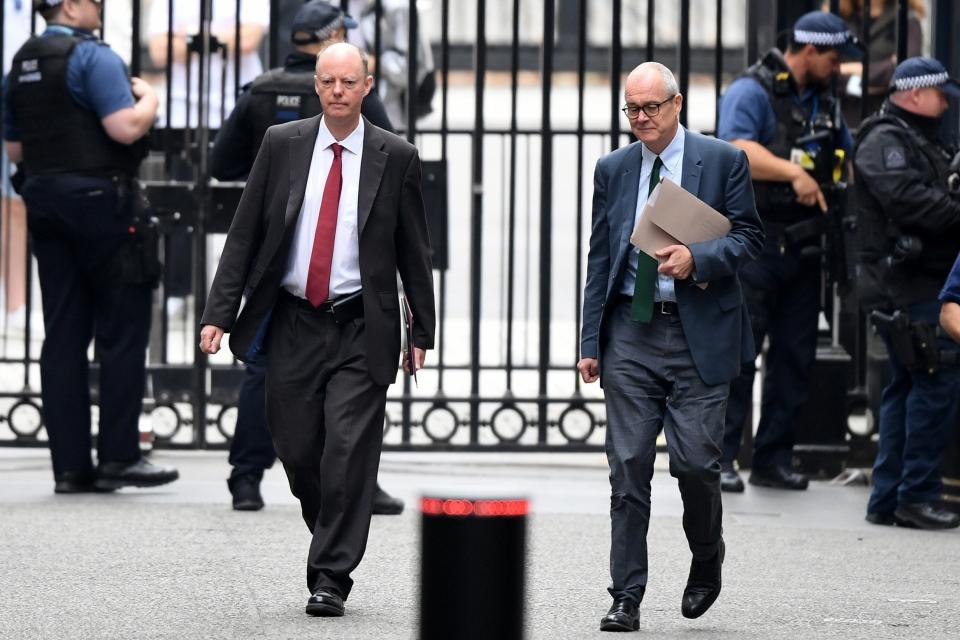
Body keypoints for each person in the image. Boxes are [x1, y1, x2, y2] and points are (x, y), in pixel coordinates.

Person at [199, 42, 435, 617]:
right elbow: (246, 232)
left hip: (360, 324)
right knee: (301, 449)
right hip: (293, 321)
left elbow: (414, 249)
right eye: (328, 81)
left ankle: (330, 575)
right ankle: (330, 523)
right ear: (316, 86)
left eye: (348, 82)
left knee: (349, 451)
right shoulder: (283, 145)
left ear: (367, 86)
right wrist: (218, 312)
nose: (336, 91)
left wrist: (421, 331)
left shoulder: (395, 155)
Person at [577, 62, 763, 631]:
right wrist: (590, 340)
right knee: (628, 465)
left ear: (677, 105)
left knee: (695, 464)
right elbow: (601, 257)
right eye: (631, 109)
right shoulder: (613, 168)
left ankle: (707, 557)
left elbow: (749, 237)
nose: (640, 119)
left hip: (698, 333)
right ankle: (626, 594)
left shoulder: (723, 161)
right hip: (632, 329)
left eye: (650, 108)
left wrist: (697, 259)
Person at [210, 0, 402, 516]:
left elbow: (220, 161)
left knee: (264, 369)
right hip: (310, 261)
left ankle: (247, 475)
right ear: (333, 34)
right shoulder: (357, 97)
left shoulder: (260, 91)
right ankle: (353, 482)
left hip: (275, 261)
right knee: (304, 380)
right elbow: (388, 156)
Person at [3, 0, 177, 493]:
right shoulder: (93, 57)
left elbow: (15, 149)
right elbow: (124, 127)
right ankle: (119, 456)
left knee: (63, 332)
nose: (100, 6)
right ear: (72, 5)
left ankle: (70, 467)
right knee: (122, 331)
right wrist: (151, 99)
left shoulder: (21, 63)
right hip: (104, 203)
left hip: (46, 203)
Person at [716, 11, 860, 493]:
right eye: (834, 57)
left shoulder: (825, 101)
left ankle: (773, 459)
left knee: (794, 358)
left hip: (806, 245)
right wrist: (793, 173)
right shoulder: (751, 91)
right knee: (739, 358)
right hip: (756, 243)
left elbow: (846, 153)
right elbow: (736, 149)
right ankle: (720, 460)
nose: (838, 67)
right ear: (810, 50)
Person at [854, 56, 960, 530]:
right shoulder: (885, 140)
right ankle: (915, 495)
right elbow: (907, 199)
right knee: (931, 384)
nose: (945, 104)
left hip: (916, 282)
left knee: (907, 384)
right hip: (909, 285)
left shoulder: (917, 139)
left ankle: (889, 496)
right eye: (940, 94)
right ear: (917, 93)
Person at [832, 0, 924, 127]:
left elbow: (907, 70)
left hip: (887, 121)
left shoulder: (906, 18)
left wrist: (852, 69)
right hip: (846, 118)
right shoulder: (838, 17)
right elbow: (827, 72)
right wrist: (877, 78)